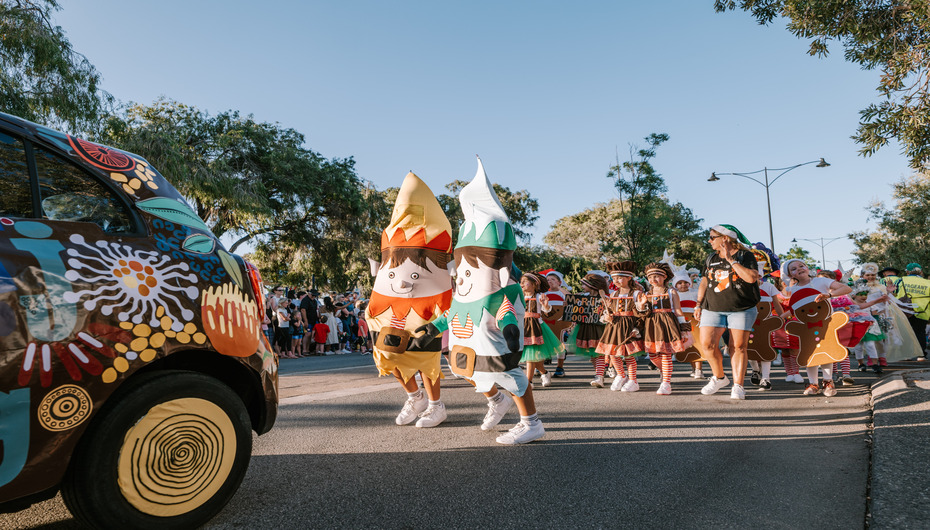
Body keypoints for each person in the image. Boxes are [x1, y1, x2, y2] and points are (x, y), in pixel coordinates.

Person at [694, 224, 761, 400]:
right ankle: (719, 377)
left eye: (712, 237)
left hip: (741, 308)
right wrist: (698, 304)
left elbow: (751, 278)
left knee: (737, 347)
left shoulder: (745, 255)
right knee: (707, 344)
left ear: (724, 238)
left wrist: (731, 261)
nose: (709, 241)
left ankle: (738, 386)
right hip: (712, 307)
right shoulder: (710, 258)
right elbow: (703, 282)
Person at [780, 258, 852, 396]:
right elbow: (795, 309)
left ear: (807, 268)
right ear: (790, 275)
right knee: (809, 353)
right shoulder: (794, 290)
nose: (799, 269)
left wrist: (829, 295)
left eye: (801, 265)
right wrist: (780, 317)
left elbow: (846, 288)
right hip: (807, 326)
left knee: (826, 351)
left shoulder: (820, 281)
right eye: (793, 269)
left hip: (825, 323)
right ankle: (813, 383)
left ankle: (828, 381)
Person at [636, 262, 691, 395]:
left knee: (665, 353)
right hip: (651, 326)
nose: (653, 280)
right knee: (653, 355)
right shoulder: (646, 293)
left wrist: (684, 329)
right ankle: (664, 370)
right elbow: (642, 313)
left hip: (667, 325)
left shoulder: (671, 292)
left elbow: (678, 310)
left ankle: (666, 383)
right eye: (650, 277)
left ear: (664, 277)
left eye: (656, 276)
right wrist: (642, 305)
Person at [595, 261, 646, 391]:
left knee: (628, 355)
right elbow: (609, 311)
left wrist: (638, 328)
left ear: (629, 278)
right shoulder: (613, 295)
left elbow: (641, 314)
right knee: (612, 353)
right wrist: (607, 316)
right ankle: (621, 375)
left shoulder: (636, 294)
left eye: (620, 277)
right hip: (614, 327)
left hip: (629, 326)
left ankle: (633, 380)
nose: (616, 280)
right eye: (614, 278)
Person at [520, 272, 564, 387]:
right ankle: (545, 373)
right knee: (534, 358)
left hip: (537, 328)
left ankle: (528, 382)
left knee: (531, 357)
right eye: (521, 282)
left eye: (525, 282)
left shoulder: (540, 296)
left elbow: (548, 312)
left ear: (534, 284)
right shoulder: (520, 296)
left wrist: (545, 305)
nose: (522, 284)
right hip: (523, 328)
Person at [541, 269, 572, 377]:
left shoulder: (562, 293)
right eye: (548, 279)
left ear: (560, 282)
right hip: (546, 322)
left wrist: (559, 288)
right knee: (543, 344)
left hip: (560, 323)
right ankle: (539, 366)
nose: (550, 281)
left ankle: (560, 367)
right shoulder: (545, 293)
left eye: (553, 279)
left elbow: (572, 299)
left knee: (560, 345)